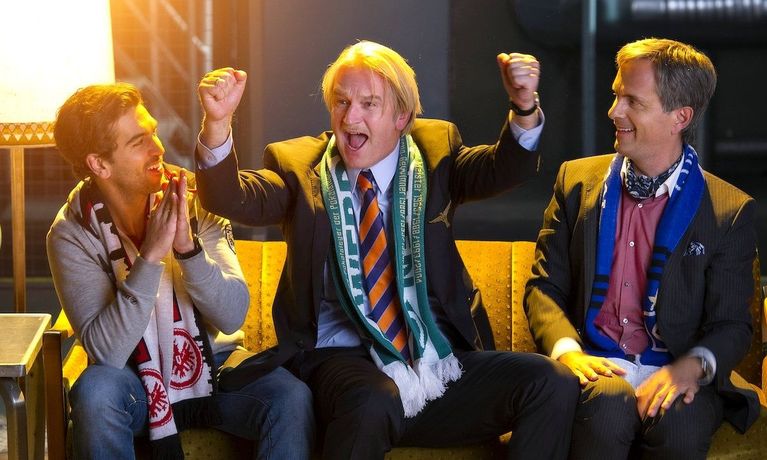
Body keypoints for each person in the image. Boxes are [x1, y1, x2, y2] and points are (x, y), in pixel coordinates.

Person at [193, 40, 579, 459]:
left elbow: (503, 168)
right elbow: (231, 197)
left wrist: (524, 108)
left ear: (402, 117)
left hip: (435, 359)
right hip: (341, 361)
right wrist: (218, 123)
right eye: (341, 102)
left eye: (368, 104)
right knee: (374, 399)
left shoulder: (435, 153)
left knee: (551, 382)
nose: (350, 118)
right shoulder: (300, 167)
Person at [46, 83, 313, 459]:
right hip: (133, 378)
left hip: (215, 364)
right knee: (96, 393)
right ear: (99, 165)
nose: (157, 148)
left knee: (289, 396)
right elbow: (107, 353)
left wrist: (188, 251)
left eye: (152, 132)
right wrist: (150, 258)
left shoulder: (195, 200)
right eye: (138, 142)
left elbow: (232, 315)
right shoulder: (71, 233)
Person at [525, 37, 760, 459]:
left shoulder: (730, 210)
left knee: (681, 425)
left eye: (632, 101)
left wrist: (691, 367)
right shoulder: (574, 182)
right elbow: (544, 288)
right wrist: (568, 352)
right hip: (595, 364)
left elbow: (732, 325)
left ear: (680, 117)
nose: (614, 111)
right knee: (607, 408)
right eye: (616, 95)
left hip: (676, 366)